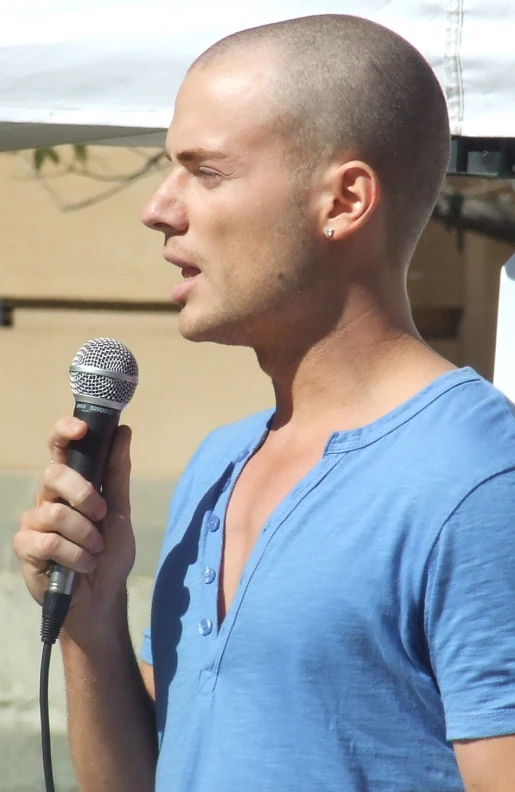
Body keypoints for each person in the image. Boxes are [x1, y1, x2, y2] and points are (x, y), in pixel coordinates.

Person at [12, 13, 515, 792]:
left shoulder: (481, 484)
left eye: (205, 172)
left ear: (345, 200)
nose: (159, 208)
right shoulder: (218, 463)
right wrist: (90, 619)